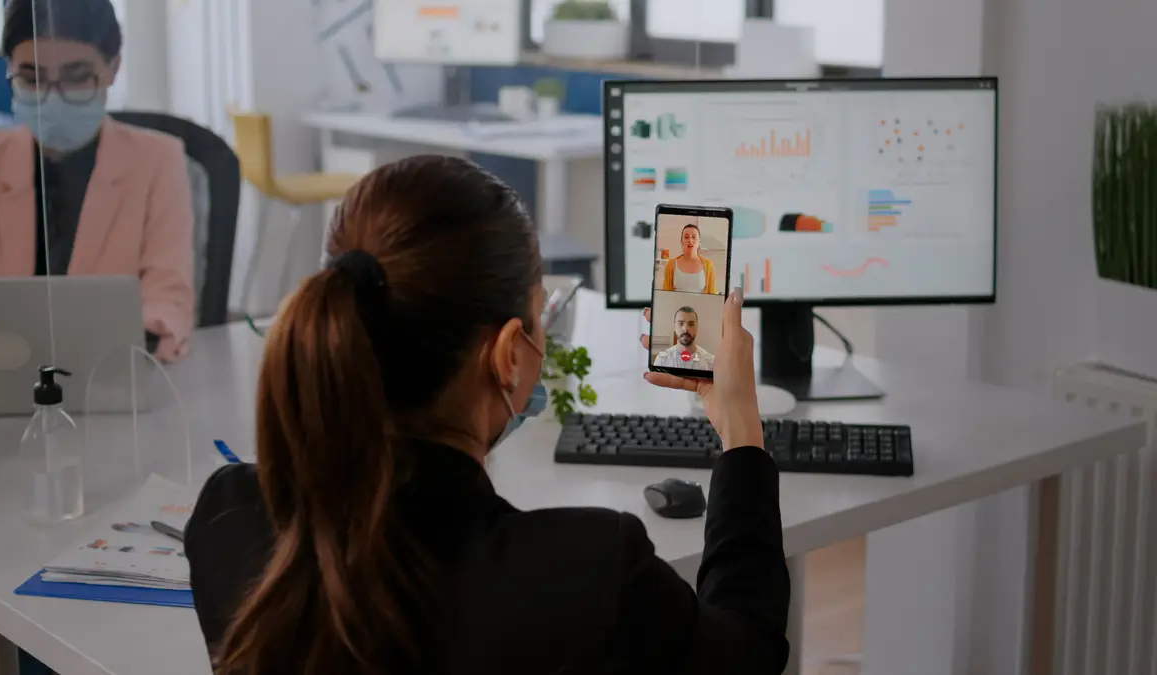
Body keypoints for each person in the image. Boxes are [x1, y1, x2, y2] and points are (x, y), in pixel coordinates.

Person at [184, 156, 789, 674]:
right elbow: (749, 653)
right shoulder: (588, 571)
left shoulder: (229, 518)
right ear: (506, 356)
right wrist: (741, 433)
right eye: (538, 320)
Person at [0, 0, 195, 363]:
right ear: (8, 70)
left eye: (77, 76)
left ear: (113, 68)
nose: (52, 96)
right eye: (32, 78)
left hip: (113, 376)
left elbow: (168, 295)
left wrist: (130, 341)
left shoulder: (158, 160)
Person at [653, 305, 716, 371]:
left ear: (697, 327)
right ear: (674, 327)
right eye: (681, 323)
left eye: (691, 324)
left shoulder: (710, 362)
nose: (685, 329)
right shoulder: (662, 359)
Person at [661, 223, 718, 294]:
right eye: (686, 237)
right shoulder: (671, 265)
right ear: (681, 241)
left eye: (694, 237)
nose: (690, 240)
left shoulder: (708, 266)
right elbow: (664, 295)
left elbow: (712, 296)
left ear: (699, 242)